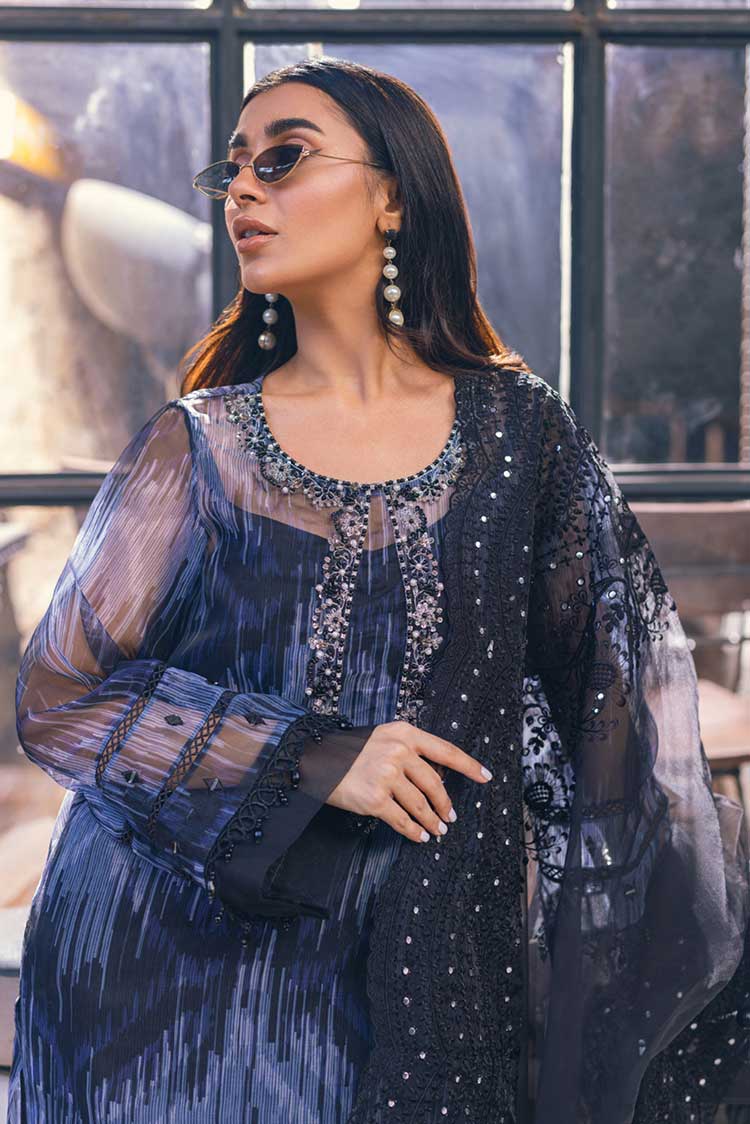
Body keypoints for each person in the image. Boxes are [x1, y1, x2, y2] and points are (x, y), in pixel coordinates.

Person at [8, 54, 750, 1124]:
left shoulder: (520, 434)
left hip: (430, 973)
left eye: (283, 159)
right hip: (176, 985)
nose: (243, 189)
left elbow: (611, 707)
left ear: (393, 194)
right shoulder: (197, 447)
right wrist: (316, 757)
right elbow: (58, 696)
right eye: (232, 171)